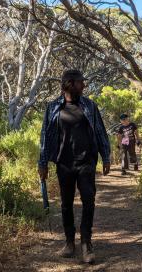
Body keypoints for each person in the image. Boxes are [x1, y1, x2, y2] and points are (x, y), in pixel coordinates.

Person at [38, 69, 111, 264]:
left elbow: (100, 131)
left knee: (89, 201)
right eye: (81, 82)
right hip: (64, 163)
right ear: (69, 83)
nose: (84, 85)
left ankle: (86, 243)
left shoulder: (89, 105)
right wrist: (42, 163)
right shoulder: (53, 107)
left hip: (86, 162)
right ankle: (69, 243)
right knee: (66, 204)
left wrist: (106, 156)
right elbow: (45, 136)